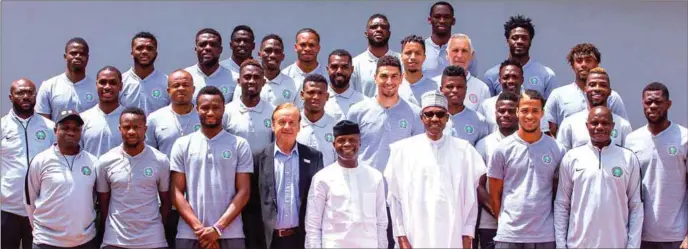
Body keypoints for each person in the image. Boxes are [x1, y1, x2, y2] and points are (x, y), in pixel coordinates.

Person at [385, 91, 485, 248]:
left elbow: (470, 198)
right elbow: (394, 198)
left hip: (453, 233)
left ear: (447, 117)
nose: (434, 119)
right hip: (415, 233)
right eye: (429, 114)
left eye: (439, 114)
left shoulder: (464, 150)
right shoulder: (402, 150)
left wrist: (468, 233)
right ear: (421, 117)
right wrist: (401, 236)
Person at [170, 86, 253, 249]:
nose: (210, 112)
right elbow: (176, 192)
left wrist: (218, 229)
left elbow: (244, 191)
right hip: (190, 234)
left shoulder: (239, 145)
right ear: (196, 109)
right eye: (205, 108)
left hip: (230, 233)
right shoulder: (182, 144)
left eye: (215, 107)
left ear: (224, 109)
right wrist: (200, 230)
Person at [554, 106, 643, 248]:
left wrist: (633, 246)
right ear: (587, 126)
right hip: (578, 244)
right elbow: (562, 204)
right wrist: (560, 244)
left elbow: (636, 205)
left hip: (617, 244)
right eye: (595, 123)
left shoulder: (628, 158)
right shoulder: (572, 157)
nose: (600, 127)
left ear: (613, 126)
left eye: (605, 123)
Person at [488, 90, 567, 248]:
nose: (530, 116)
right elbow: (494, 194)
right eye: (524, 110)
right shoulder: (502, 149)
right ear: (517, 112)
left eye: (535, 111)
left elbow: (559, 193)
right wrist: (504, 220)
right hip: (509, 235)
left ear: (542, 113)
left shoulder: (557, 149)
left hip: (544, 235)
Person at [244, 103, 325, 249]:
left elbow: (319, 201)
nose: (287, 127)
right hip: (268, 241)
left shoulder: (314, 157)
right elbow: (251, 205)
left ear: (299, 127)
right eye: (282, 122)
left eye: (292, 122)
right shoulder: (258, 158)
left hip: (302, 239)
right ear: (273, 125)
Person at [304, 120, 388, 248]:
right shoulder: (322, 178)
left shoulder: (375, 177)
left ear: (360, 142)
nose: (347, 144)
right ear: (334, 144)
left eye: (352, 140)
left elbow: (381, 222)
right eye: (341, 140)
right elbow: (312, 225)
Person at [95, 107, 170, 249]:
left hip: (153, 240)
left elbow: (166, 201)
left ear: (145, 128)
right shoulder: (106, 161)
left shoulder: (160, 160)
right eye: (126, 127)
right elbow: (103, 202)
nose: (131, 132)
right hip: (115, 240)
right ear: (119, 129)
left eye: (136, 127)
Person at [625, 82, 688, 249]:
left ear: (669, 104)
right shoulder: (632, 140)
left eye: (658, 102)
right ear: (643, 104)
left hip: (677, 235)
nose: (652, 106)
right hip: (641, 234)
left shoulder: (684, 138)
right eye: (648, 102)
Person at [25, 109, 99, 248]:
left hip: (84, 240)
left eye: (76, 129)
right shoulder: (41, 160)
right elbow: (30, 200)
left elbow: (94, 197)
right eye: (65, 128)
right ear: (55, 130)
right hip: (47, 242)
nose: (71, 132)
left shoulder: (92, 162)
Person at [145, 69, 200, 248]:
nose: (181, 89)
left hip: (198, 199)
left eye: (186, 85)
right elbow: (149, 158)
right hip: (165, 199)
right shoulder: (154, 119)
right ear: (168, 90)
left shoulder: (204, 116)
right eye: (176, 85)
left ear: (194, 89)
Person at [1, 79, 55, 249]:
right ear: (11, 97)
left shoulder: (49, 127)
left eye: (30, 92)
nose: (25, 96)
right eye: (20, 93)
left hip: (40, 209)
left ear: (35, 96)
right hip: (8, 209)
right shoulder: (2, 126)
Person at [545, 43, 628, 136]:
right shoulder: (558, 95)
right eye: (579, 61)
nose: (583, 65)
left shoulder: (612, 97)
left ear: (597, 65)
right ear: (572, 66)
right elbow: (549, 131)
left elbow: (622, 128)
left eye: (588, 60)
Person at [474, 91, 520, 249]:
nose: (506, 115)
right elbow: (478, 185)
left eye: (511, 111)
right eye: (501, 111)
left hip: (523, 225)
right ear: (495, 113)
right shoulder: (483, 144)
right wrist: (498, 213)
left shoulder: (528, 142)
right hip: (490, 224)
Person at [557, 67, 632, 150]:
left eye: (603, 85)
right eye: (592, 85)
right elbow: (563, 158)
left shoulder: (623, 126)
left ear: (610, 91)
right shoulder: (570, 124)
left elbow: (629, 158)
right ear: (585, 89)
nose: (597, 89)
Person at [482, 15, 556, 98]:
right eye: (515, 38)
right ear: (507, 41)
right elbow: (488, 107)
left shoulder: (546, 75)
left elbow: (549, 109)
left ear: (530, 41)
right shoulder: (492, 75)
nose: (519, 41)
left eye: (524, 38)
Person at [478, 59, 549, 133]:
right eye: (506, 77)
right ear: (499, 80)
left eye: (515, 77)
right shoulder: (486, 106)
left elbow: (544, 133)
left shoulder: (534, 104)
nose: (510, 81)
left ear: (522, 80)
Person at [36, 37, 97, 121]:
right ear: (65, 57)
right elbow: (43, 121)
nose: (78, 56)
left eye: (82, 54)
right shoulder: (49, 86)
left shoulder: (96, 88)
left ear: (87, 58)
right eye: (73, 53)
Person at [224, 59, 276, 156]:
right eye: (247, 77)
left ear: (263, 82)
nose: (252, 81)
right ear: (239, 81)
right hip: (235, 168)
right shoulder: (226, 111)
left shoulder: (273, 111)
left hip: (263, 169)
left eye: (256, 77)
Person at [234, 34, 300, 107]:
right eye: (268, 51)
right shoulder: (245, 83)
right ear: (260, 54)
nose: (272, 55)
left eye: (277, 51)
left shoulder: (294, 84)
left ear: (282, 56)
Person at [431, 33, 490, 111]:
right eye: (455, 50)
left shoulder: (482, 89)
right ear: (447, 54)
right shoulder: (432, 84)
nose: (459, 55)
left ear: (471, 55)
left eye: (464, 51)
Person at [422, 1, 478, 78]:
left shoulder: (464, 48)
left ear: (453, 21)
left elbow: (471, 78)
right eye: (437, 17)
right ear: (429, 20)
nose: (442, 21)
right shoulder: (420, 48)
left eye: (446, 17)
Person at [120, 31, 170, 115]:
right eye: (139, 48)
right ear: (132, 54)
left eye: (149, 48)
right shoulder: (121, 82)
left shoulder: (166, 82)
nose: (144, 52)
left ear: (156, 54)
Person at [351, 14, 401, 97]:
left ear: (389, 33)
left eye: (383, 27)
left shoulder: (401, 61)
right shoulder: (355, 64)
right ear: (366, 33)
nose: (379, 29)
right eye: (374, 27)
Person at [80, 66, 125, 158]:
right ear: (96, 85)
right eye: (103, 82)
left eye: (113, 83)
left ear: (120, 86)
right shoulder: (83, 119)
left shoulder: (128, 119)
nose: (107, 87)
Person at [439, 65, 489, 145]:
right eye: (450, 86)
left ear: (466, 89)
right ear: (441, 89)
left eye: (459, 87)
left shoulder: (479, 120)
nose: (455, 90)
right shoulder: (432, 118)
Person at [185, 28, 236, 104]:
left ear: (220, 49)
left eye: (213, 44)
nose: (208, 48)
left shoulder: (234, 78)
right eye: (202, 44)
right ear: (196, 49)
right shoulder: (185, 77)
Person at [297, 74, 337, 165]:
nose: (315, 97)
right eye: (311, 92)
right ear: (302, 95)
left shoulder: (335, 127)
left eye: (320, 93)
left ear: (326, 97)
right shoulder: (292, 123)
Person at [323, 49, 367, 122]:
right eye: (334, 67)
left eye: (344, 67)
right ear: (327, 69)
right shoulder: (316, 101)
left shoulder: (364, 103)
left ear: (352, 69)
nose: (339, 71)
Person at [397, 34, 439, 106]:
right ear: (401, 56)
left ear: (424, 57)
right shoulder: (393, 85)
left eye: (417, 53)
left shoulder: (434, 88)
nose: (413, 57)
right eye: (408, 53)